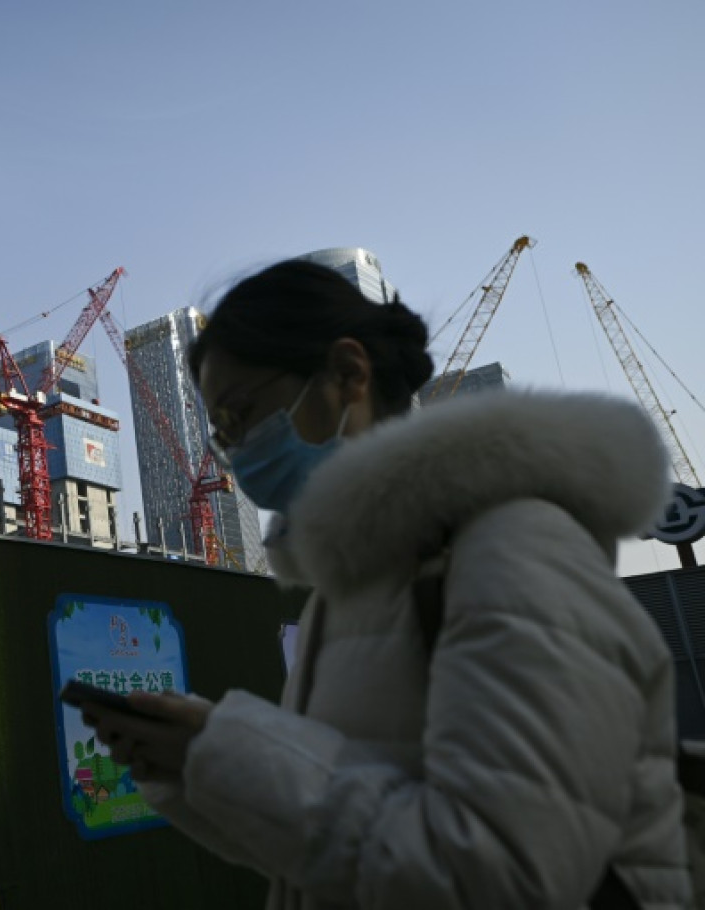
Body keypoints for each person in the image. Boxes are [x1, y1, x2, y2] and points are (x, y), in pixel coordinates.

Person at [79, 259, 694, 908]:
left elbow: (507, 877)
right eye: (223, 432)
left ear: (348, 374)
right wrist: (198, 766)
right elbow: (329, 860)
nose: (233, 453)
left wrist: (233, 751)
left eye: (241, 414)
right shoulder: (353, 591)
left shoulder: (513, 553)